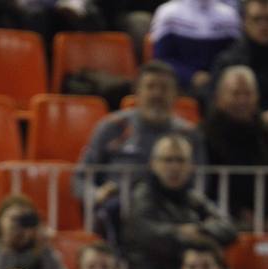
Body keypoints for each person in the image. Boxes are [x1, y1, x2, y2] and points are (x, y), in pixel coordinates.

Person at [73, 60, 206, 204]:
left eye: (164, 88)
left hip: (170, 214)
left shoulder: (189, 134)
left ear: (176, 94)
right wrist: (96, 194)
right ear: (137, 92)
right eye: (150, 87)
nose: (157, 94)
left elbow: (200, 183)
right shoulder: (112, 126)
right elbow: (80, 179)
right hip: (119, 211)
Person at [121, 134, 237, 269]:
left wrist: (198, 230)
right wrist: (186, 234)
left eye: (181, 160)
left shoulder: (192, 197)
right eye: (168, 160)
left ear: (190, 166)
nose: (174, 167)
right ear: (153, 164)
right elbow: (149, 236)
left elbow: (228, 228)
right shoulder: (142, 197)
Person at [201, 65, 268, 231]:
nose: (242, 100)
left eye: (248, 94)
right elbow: (209, 185)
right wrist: (238, 212)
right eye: (236, 94)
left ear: (257, 96)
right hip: (222, 220)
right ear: (219, 97)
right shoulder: (206, 136)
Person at [148, 0, 240, 92]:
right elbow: (161, 59)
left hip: (219, 86)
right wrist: (190, 76)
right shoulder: (168, 13)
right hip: (179, 85)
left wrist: (215, 77)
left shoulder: (229, 16)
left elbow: (234, 57)